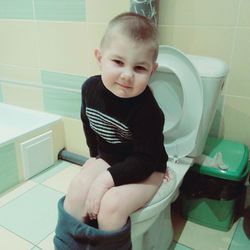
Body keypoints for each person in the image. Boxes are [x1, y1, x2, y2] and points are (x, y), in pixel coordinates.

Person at [54, 12, 168, 250]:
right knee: (77, 190)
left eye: (139, 68)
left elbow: (146, 159)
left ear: (152, 71)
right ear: (100, 57)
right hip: (111, 157)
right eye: (118, 62)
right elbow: (88, 123)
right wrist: (95, 158)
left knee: (111, 206)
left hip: (147, 168)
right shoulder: (90, 89)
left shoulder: (148, 111)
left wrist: (106, 180)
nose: (127, 75)